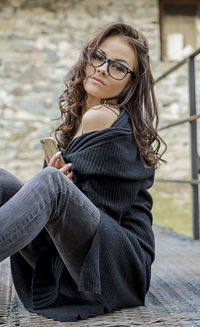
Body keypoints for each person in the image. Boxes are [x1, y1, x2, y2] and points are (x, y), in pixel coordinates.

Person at [0, 22, 166, 322]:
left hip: (119, 266)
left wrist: (61, 188)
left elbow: (107, 208)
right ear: (86, 58)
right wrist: (62, 188)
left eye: (118, 67)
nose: (102, 68)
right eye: (98, 57)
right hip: (79, 256)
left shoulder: (103, 117)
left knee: (50, 181)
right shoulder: (80, 119)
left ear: (130, 83)